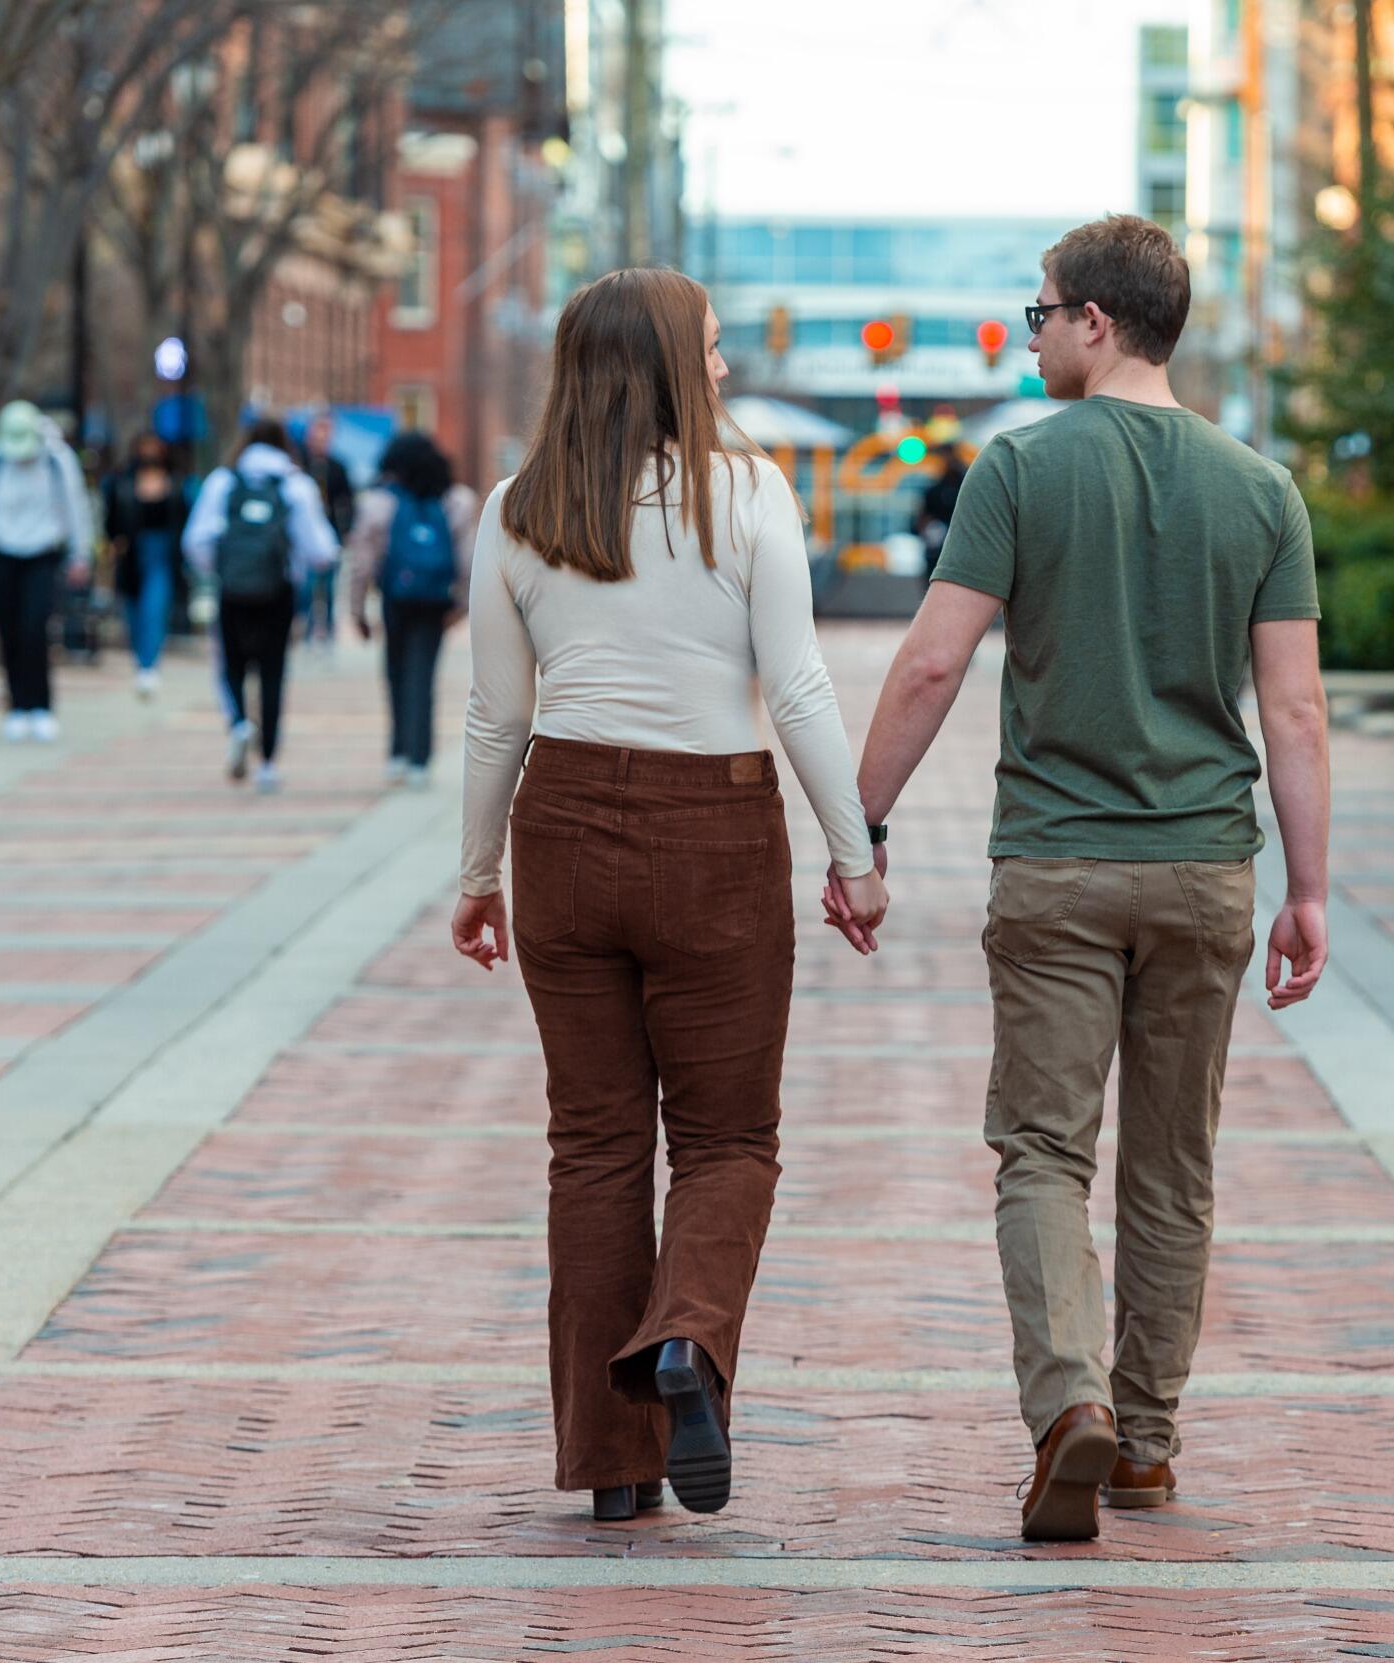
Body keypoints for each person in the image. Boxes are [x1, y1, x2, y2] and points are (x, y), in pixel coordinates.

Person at [833, 214, 1333, 1543]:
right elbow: (1294, 714)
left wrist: (859, 825)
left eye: (1041, 309)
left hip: (1056, 863)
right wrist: (1311, 888)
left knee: (1043, 1151)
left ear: (1098, 323)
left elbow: (934, 663)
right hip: (1205, 870)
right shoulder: (1262, 489)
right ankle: (1148, 1442)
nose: (1030, 327)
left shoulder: (1020, 470)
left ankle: (1068, 1406)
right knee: (1175, 1162)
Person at [450, 268, 888, 1525]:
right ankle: (689, 1335)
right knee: (727, 1139)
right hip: (715, 831)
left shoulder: (516, 510)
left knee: (592, 1150)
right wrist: (852, 855)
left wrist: (477, 877)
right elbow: (797, 688)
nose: (726, 370)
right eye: (709, 349)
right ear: (660, 366)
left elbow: (497, 715)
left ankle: (612, 1464)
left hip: (565, 831)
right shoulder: (747, 492)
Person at [181, 419, 340, 792]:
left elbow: (196, 540)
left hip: (232, 589)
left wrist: (221, 569)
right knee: (272, 673)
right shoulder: (295, 485)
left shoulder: (223, 482)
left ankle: (238, 722)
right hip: (278, 591)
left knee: (231, 666)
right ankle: (267, 762)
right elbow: (321, 549)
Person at [347, 431, 480, 787]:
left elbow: (362, 560)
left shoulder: (380, 503)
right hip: (436, 600)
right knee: (424, 674)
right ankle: (421, 758)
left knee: (396, 671)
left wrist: (357, 610)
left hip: (396, 598)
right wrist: (462, 604)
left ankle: (399, 753)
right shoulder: (456, 501)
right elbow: (469, 559)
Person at [0, 400, 93, 742]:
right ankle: (17, 706)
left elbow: (76, 507)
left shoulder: (57, 461)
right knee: (9, 632)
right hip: (1, 554)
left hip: (43, 555)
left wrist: (80, 554)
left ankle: (41, 706)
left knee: (36, 629)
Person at [104, 434, 187, 698]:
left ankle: (149, 665)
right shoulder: (122, 482)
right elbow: (112, 519)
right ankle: (141, 660)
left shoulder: (176, 483)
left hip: (162, 554)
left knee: (155, 607)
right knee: (132, 611)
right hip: (131, 553)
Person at [299, 411, 356, 650]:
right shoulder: (301, 464)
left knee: (329, 587)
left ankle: (329, 630)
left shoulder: (337, 468)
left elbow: (347, 501)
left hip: (330, 533)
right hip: (304, 535)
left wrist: (346, 530)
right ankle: (309, 629)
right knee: (308, 586)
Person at [913, 446, 969, 587]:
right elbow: (923, 517)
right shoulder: (934, 489)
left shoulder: (966, 486)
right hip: (938, 544)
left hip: (962, 544)